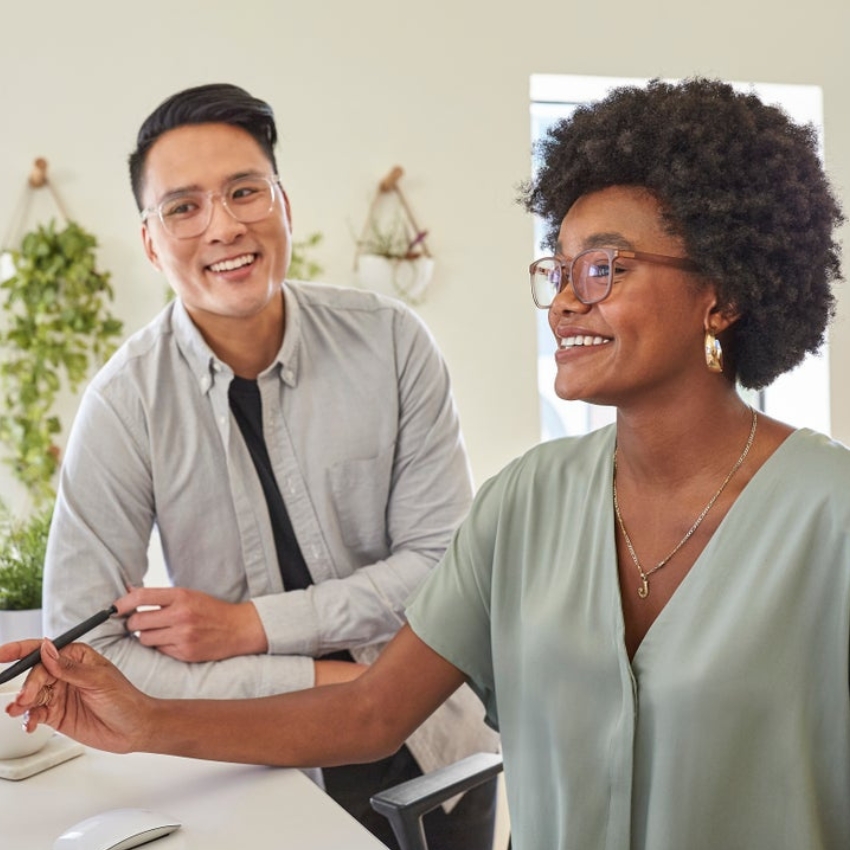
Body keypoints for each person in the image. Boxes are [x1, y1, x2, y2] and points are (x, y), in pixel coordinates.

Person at [6, 77, 849, 849]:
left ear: (725, 292)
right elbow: (372, 708)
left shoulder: (830, 518)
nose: (563, 299)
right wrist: (143, 717)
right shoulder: (525, 504)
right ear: (151, 243)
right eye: (557, 268)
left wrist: (246, 633)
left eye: (605, 267)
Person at [37, 83, 499, 850]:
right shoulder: (124, 404)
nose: (223, 226)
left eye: (244, 191)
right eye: (183, 207)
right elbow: (87, 661)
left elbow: (444, 570)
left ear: (283, 203)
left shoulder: (391, 344)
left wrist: (251, 627)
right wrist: (345, 688)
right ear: (151, 242)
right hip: (255, 788)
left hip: (439, 765)